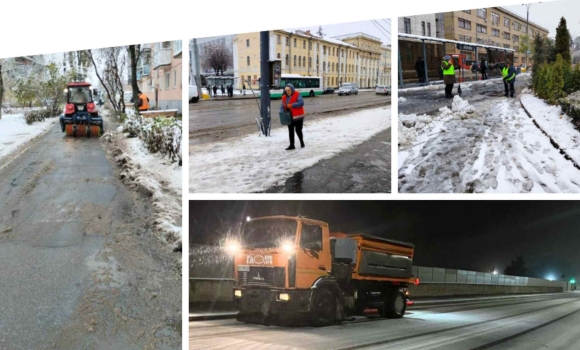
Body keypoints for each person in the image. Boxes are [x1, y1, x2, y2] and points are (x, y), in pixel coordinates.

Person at [280, 83, 305, 150]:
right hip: (289, 116)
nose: (287, 92)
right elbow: (282, 106)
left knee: (298, 130)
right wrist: (282, 112)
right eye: (286, 91)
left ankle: (302, 142)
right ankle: (292, 145)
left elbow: (301, 103)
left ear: (292, 89)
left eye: (289, 90)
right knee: (290, 130)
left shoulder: (297, 94)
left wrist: (292, 105)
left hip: (298, 116)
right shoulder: (284, 97)